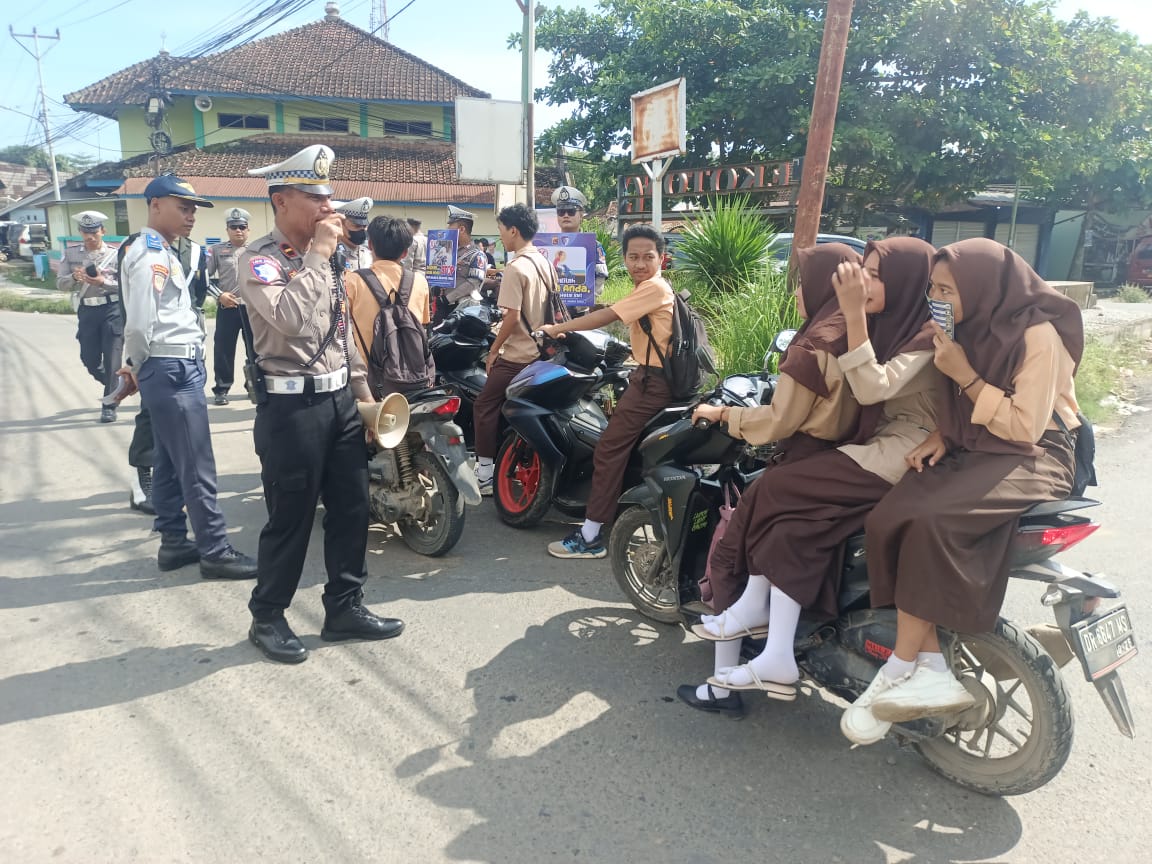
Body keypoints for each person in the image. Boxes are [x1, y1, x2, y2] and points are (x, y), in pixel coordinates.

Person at [841, 238, 1084, 744]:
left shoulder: (1038, 334)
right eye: (933, 287)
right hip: (977, 440)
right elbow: (955, 404)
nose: (938, 298)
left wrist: (966, 375)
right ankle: (931, 666)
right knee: (888, 516)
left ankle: (900, 667)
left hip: (1038, 453)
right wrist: (942, 434)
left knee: (934, 520)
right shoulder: (965, 325)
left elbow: (1023, 427)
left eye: (948, 289)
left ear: (982, 287)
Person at [700, 238, 941, 703]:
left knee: (772, 490)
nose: (862, 282)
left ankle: (750, 614)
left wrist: (852, 312)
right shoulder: (893, 325)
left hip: (897, 453)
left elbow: (871, 390)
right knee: (790, 526)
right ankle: (777, 654)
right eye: (858, 273)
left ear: (908, 282)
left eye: (874, 274)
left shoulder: (919, 335)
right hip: (873, 446)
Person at [677, 244, 863, 717]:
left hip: (804, 459)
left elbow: (781, 420)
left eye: (803, 282)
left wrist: (724, 415)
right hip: (844, 460)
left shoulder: (814, 344)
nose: (798, 293)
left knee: (728, 553)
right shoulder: (860, 332)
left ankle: (721, 687)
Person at [239, 144, 404, 664]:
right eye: (316, 199)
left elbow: (340, 335)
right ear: (282, 200)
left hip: (338, 402)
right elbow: (289, 321)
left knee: (353, 509)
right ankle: (267, 616)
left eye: (329, 199)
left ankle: (344, 607)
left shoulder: (328, 259)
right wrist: (317, 256)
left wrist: (365, 398)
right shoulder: (258, 261)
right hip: (291, 411)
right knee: (290, 517)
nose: (327, 211)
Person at [113, 174, 258, 580]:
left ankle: (174, 543)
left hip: (171, 365)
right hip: (171, 366)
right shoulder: (150, 254)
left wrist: (140, 364)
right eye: (184, 206)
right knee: (196, 464)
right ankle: (215, 548)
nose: (191, 215)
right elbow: (140, 323)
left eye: (194, 208)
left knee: (169, 460)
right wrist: (137, 364)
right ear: (155, 203)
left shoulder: (164, 250)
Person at [540, 223, 676, 559]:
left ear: (662, 258)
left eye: (648, 256)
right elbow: (617, 309)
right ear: (624, 258)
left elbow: (610, 315)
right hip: (650, 375)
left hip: (652, 384)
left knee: (608, 451)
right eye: (633, 257)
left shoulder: (654, 288)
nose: (639, 263)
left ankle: (590, 536)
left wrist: (559, 328)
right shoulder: (649, 288)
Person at [120, 226, 210, 514]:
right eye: (183, 208)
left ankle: (168, 495)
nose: (190, 216)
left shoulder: (194, 251)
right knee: (150, 415)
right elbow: (133, 306)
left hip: (187, 345)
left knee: (176, 426)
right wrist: (132, 358)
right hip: (155, 348)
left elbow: (199, 293)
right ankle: (141, 479)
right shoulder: (141, 246)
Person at [472, 203, 552, 496]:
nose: (501, 236)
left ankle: (484, 474)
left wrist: (494, 350)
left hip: (519, 355)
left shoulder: (516, 268)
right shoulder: (542, 262)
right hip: (543, 350)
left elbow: (512, 317)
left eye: (501, 230)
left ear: (513, 230)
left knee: (483, 406)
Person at [344, 215, 433, 396]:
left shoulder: (352, 281)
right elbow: (422, 327)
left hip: (368, 383)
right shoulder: (420, 282)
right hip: (413, 381)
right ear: (405, 253)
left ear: (370, 246)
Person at [59, 211, 122, 423]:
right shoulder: (71, 254)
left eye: (94, 232)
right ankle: (117, 385)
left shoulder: (116, 253)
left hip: (112, 310)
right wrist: (74, 278)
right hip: (87, 311)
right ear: (80, 232)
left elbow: (126, 285)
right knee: (89, 359)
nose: (90, 237)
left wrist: (104, 282)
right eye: (85, 232)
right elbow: (60, 284)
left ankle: (109, 403)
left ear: (103, 231)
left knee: (113, 358)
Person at [207, 207, 250, 406]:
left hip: (252, 309)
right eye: (234, 227)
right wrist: (219, 295)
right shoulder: (217, 251)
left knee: (256, 351)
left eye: (242, 227)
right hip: (228, 307)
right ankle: (221, 389)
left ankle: (254, 385)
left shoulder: (257, 250)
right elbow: (204, 279)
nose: (238, 230)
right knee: (224, 350)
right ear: (227, 229)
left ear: (248, 229)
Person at [552, 185, 608, 298]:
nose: (566, 215)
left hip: (580, 310)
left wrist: (586, 300)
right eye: (561, 211)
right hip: (551, 309)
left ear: (581, 215)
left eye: (571, 211)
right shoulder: (548, 245)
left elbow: (600, 277)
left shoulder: (593, 245)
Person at [334, 196, 375, 271]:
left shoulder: (369, 255)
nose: (362, 230)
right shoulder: (333, 254)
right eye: (357, 226)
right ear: (340, 224)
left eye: (364, 226)